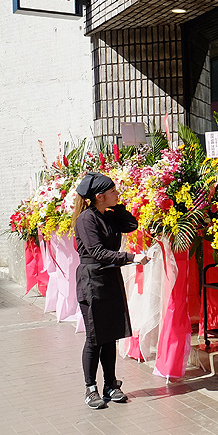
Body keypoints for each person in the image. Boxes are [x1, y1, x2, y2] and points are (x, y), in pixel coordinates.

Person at [72, 172, 149, 409]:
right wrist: (131, 257)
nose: (118, 194)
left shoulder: (109, 215)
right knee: (95, 338)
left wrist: (117, 206)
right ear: (100, 196)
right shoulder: (86, 220)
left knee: (110, 336)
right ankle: (90, 387)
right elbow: (96, 252)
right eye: (113, 192)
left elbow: (132, 224)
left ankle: (110, 385)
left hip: (109, 278)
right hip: (92, 281)